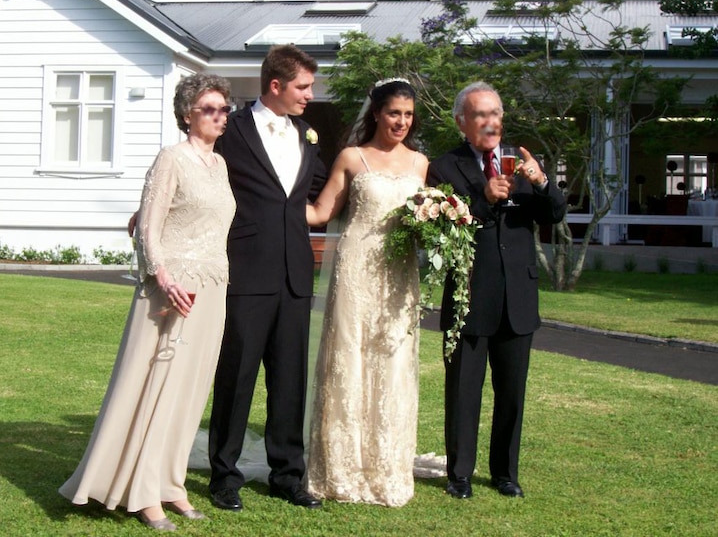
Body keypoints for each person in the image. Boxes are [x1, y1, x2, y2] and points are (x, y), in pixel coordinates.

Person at [59, 73, 236, 532]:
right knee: (159, 384)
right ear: (186, 115)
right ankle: (140, 490)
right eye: (209, 109)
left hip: (214, 286)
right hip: (174, 288)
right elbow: (148, 230)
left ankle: (171, 482)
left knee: (191, 390)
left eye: (224, 109)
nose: (219, 117)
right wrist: (163, 276)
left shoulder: (219, 166)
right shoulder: (170, 158)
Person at [426, 81, 566, 499]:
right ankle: (460, 475)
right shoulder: (444, 168)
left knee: (512, 394)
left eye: (496, 114)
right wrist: (483, 199)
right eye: (481, 115)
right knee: (463, 391)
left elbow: (555, 213)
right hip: (471, 294)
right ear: (461, 122)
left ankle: (505, 473)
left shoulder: (521, 162)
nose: (491, 122)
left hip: (518, 296)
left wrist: (541, 182)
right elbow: (440, 226)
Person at [208, 44, 328, 512]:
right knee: (235, 378)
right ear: (275, 86)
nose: (309, 95)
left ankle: (288, 475)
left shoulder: (309, 135)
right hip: (246, 269)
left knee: (289, 379)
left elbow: (313, 195)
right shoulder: (231, 130)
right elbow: (201, 177)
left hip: (296, 272)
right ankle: (224, 477)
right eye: (303, 86)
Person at [303, 78, 431, 507]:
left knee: (391, 362)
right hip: (356, 271)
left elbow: (424, 219)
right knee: (350, 361)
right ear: (376, 112)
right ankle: (340, 469)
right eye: (394, 113)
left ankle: (386, 467)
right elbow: (321, 212)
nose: (401, 122)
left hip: (400, 275)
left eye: (408, 115)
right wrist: (271, 197)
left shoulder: (419, 164)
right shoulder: (351, 158)